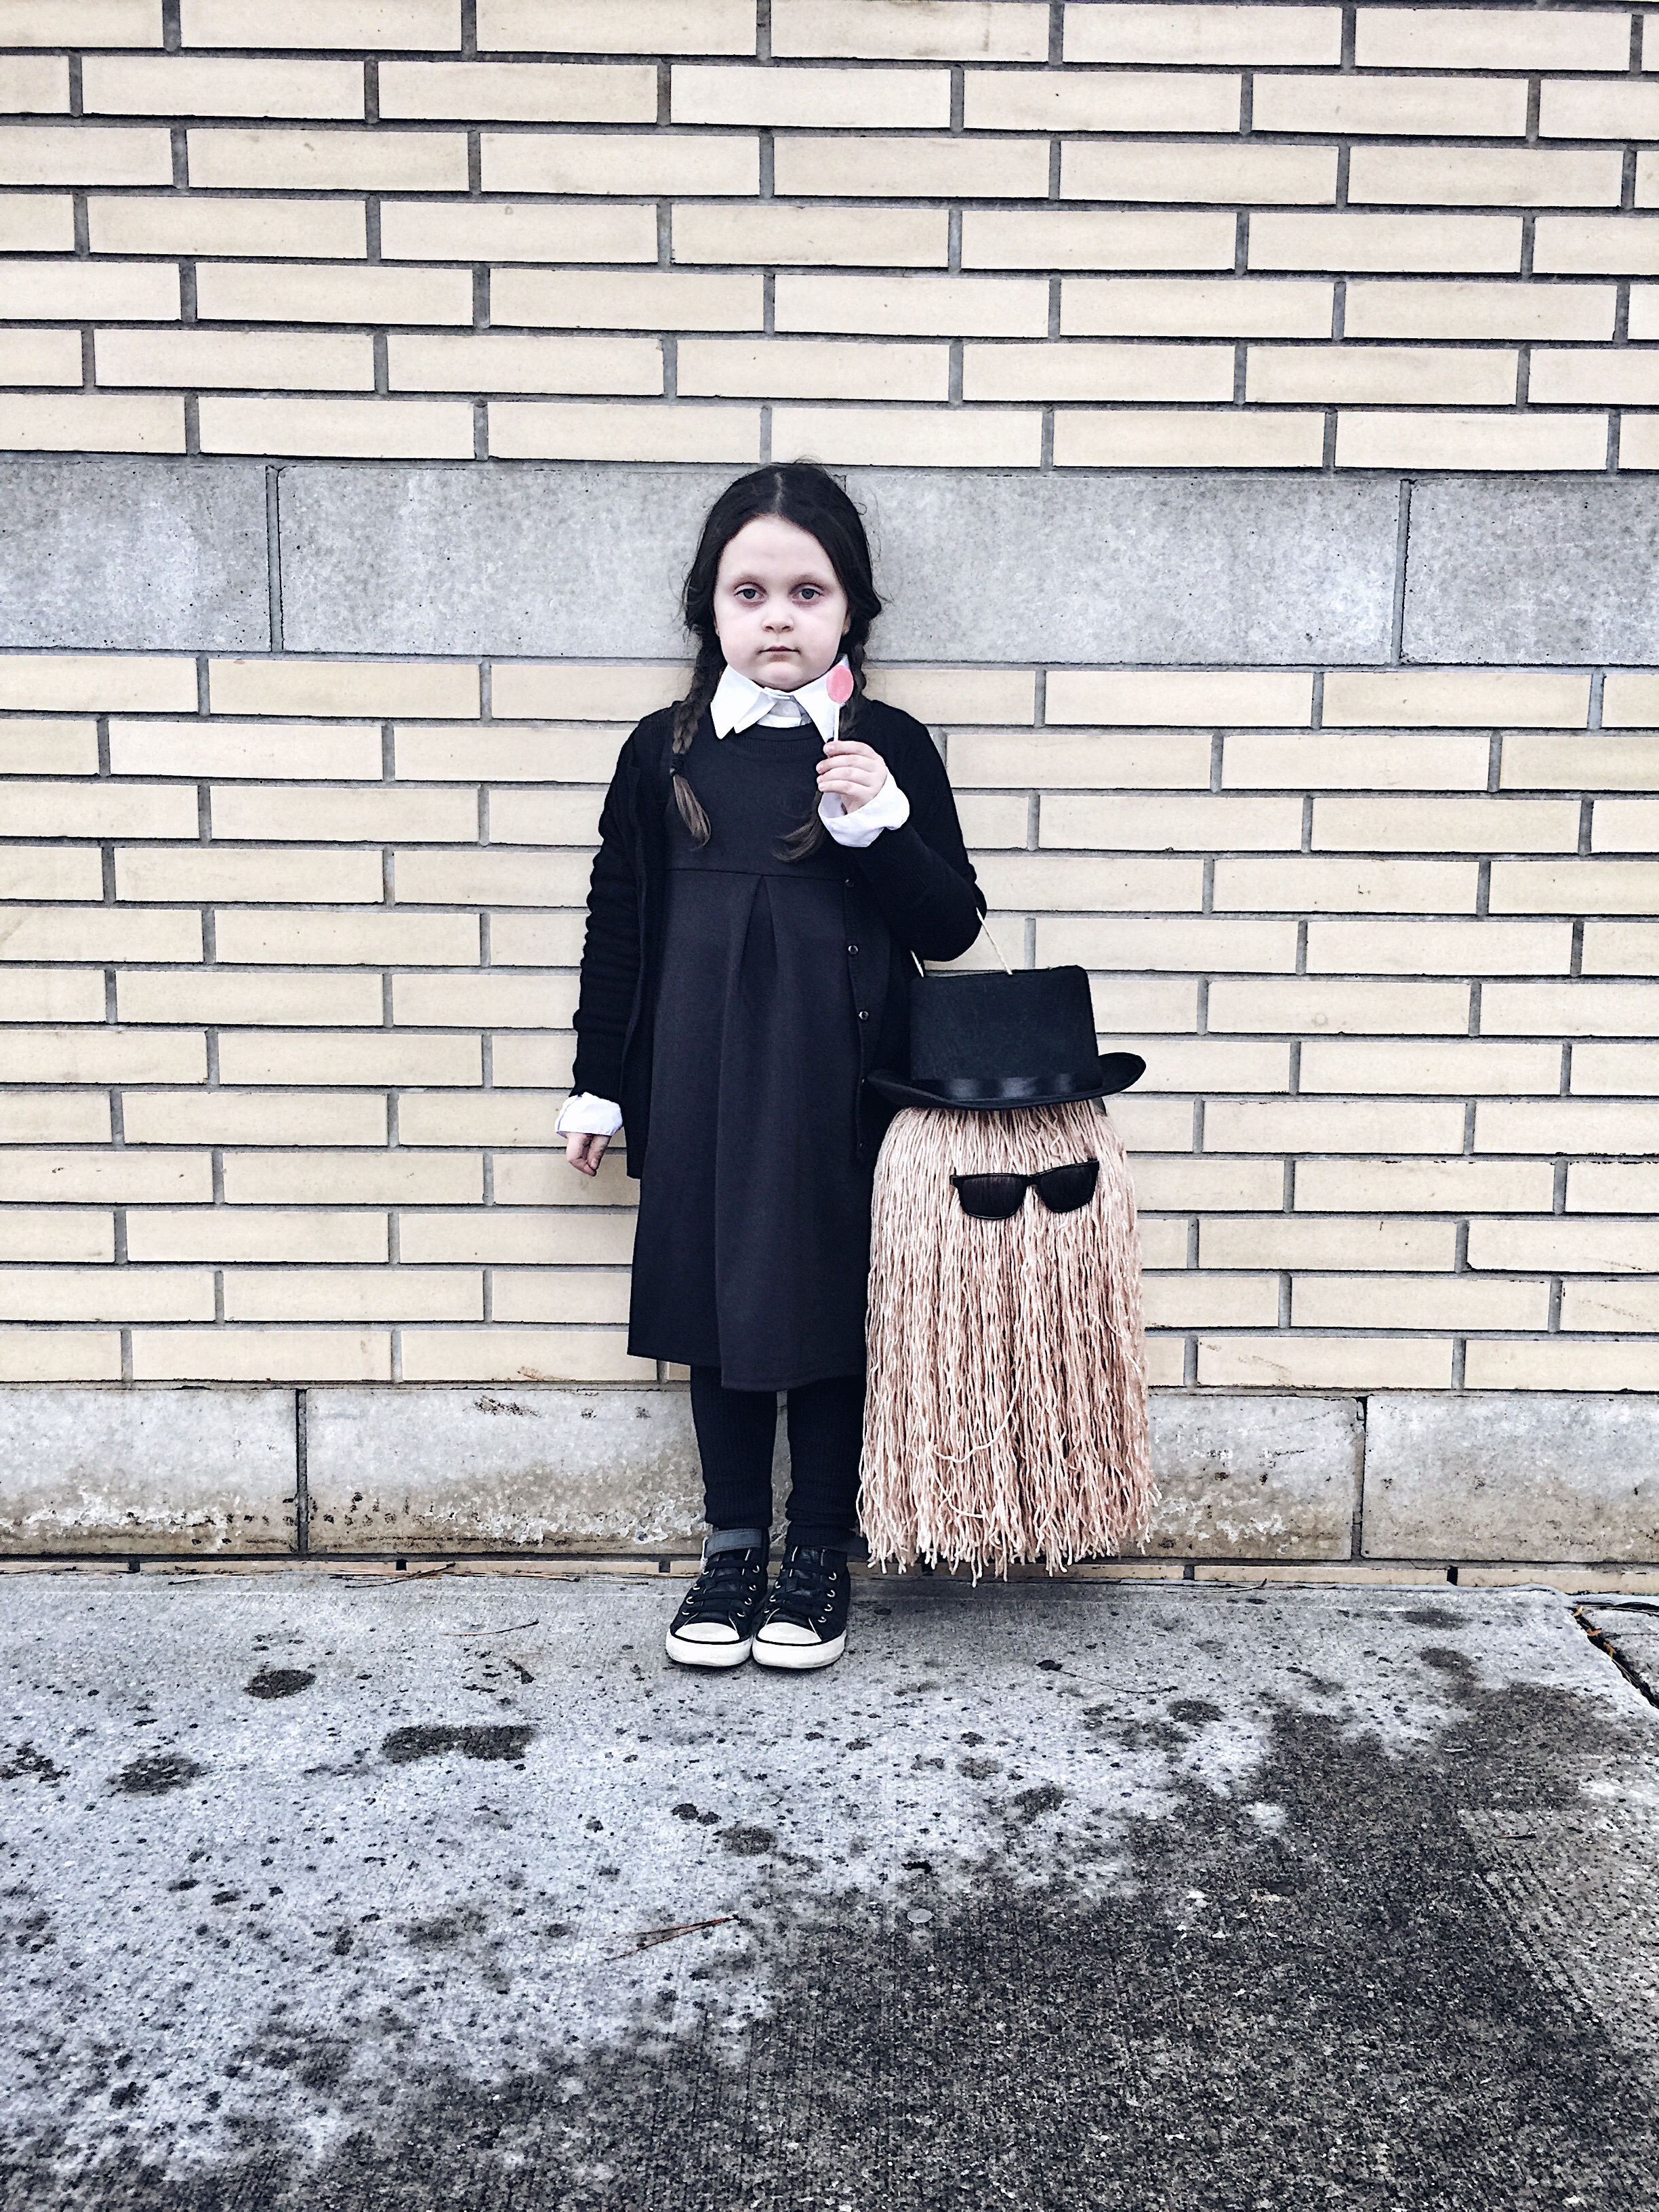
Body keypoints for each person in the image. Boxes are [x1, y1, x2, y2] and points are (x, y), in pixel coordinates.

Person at [560, 462, 983, 1671]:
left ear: (851, 610)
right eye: (751, 594)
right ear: (714, 613)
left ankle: (817, 1554)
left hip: (842, 1083)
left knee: (832, 1310)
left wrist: (879, 827)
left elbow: (949, 927)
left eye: (809, 591)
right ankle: (732, 1548)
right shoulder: (666, 750)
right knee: (716, 1307)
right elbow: (620, 921)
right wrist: (602, 1081)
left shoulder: (886, 747)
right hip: (694, 1072)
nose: (780, 616)